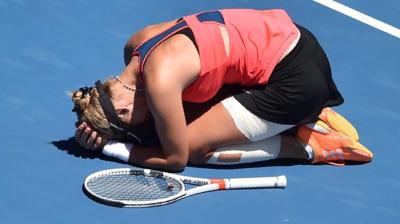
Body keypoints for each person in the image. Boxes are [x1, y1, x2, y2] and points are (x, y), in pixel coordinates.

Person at [72, 9, 373, 172]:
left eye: (130, 125)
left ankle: (307, 147)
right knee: (179, 117)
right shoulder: (136, 45)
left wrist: (109, 147)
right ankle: (303, 116)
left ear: (123, 108)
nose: (138, 127)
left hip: (296, 86)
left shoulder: (161, 83)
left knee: (191, 148)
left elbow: (175, 160)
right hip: (298, 41)